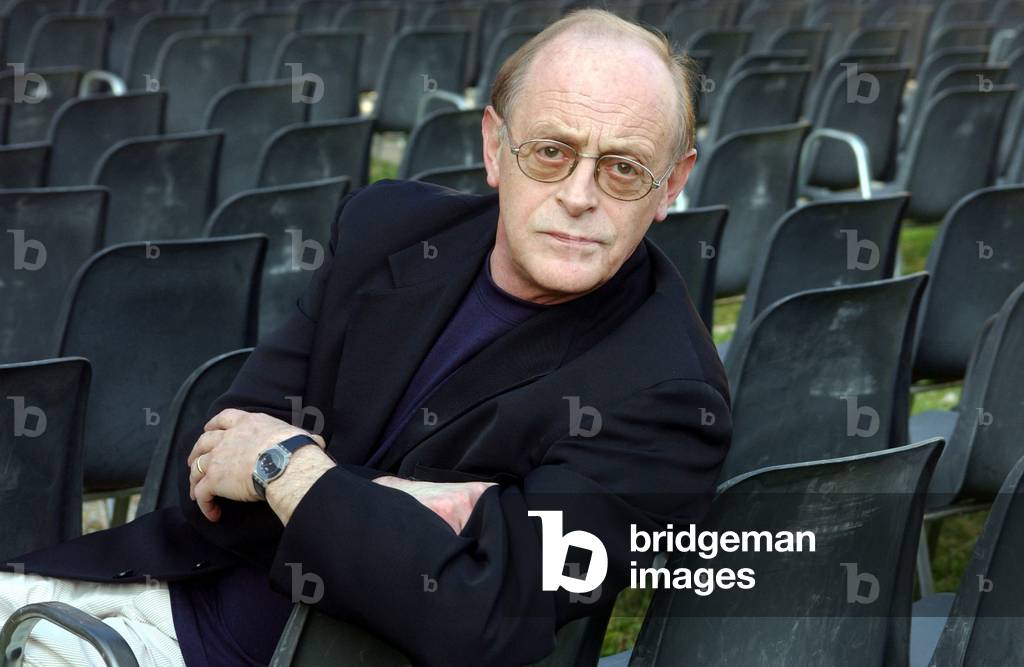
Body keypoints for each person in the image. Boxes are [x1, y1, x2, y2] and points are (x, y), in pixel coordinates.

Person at [1, 10, 730, 666]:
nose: (578, 194)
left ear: (672, 186)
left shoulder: (670, 395)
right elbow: (221, 460)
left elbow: (479, 617)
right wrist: (402, 520)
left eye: (624, 168)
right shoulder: (388, 228)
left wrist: (293, 472)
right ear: (494, 147)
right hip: (170, 591)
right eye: (551, 151)